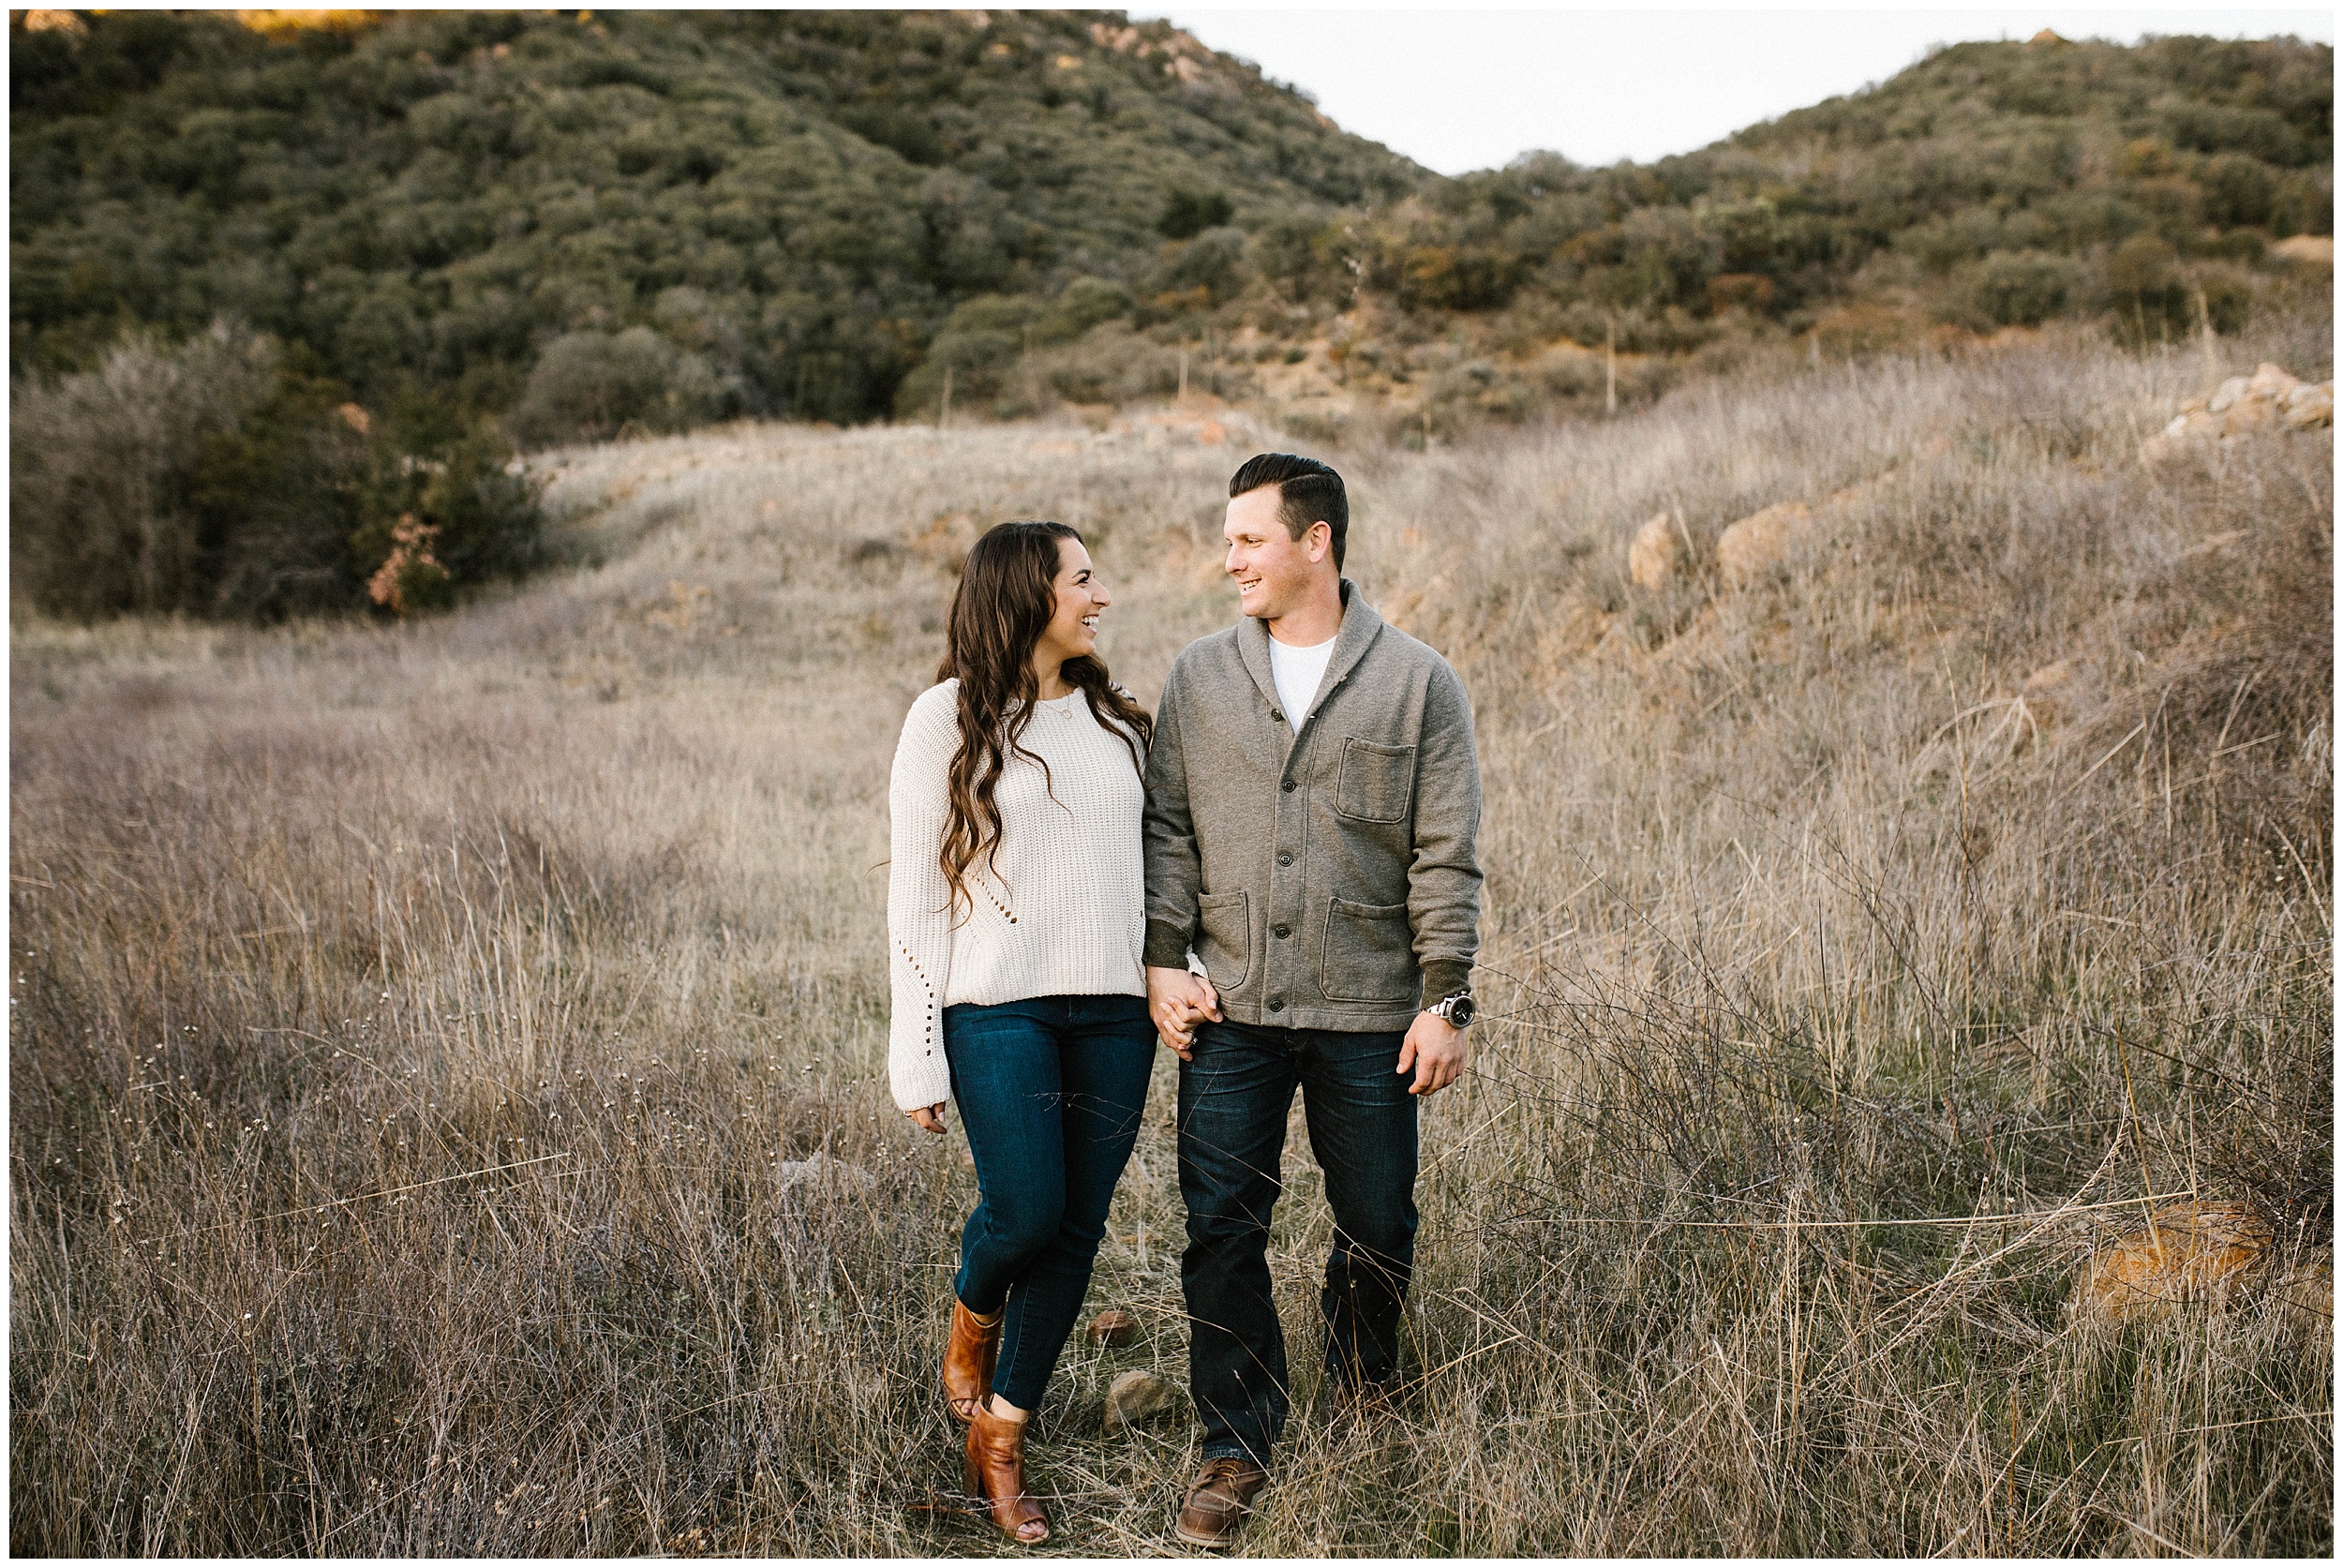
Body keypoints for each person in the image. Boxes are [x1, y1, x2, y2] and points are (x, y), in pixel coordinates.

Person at [1142, 453, 1483, 1549]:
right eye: (1230, 537)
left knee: (1379, 1219)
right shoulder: (1198, 678)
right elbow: (1168, 832)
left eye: (1248, 537)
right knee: (1221, 1225)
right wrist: (1161, 960)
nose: (1228, 556)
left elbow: (1445, 853)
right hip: (1231, 1006)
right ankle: (1236, 1439)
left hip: (1374, 1011)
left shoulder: (1419, 681)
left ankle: (1364, 1382)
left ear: (1316, 540)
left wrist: (1448, 1000)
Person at [887, 520, 1164, 1546]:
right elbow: (915, 897)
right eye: (1084, 579)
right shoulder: (943, 720)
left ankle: (1001, 1440)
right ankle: (972, 1308)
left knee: (1077, 1229)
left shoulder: (1123, 725)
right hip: (995, 1005)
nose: (1102, 596)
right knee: (1025, 1208)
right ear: (1027, 595)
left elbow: (1162, 875)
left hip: (1114, 1014)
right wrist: (913, 1047)